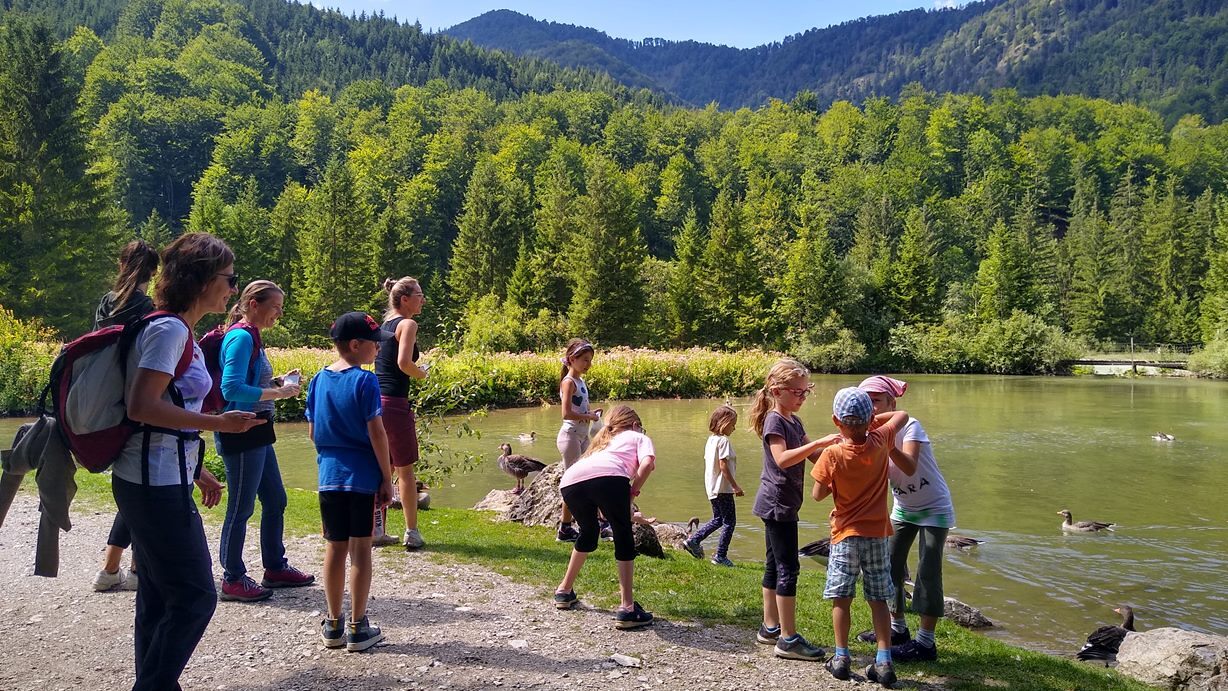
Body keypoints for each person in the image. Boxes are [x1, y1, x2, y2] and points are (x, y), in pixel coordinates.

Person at [114, 232, 266, 690]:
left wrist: (197, 470)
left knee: (159, 597)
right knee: (198, 597)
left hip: (154, 478)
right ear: (200, 279)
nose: (233, 288)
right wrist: (221, 426)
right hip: (153, 485)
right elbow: (142, 406)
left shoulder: (178, 330)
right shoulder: (169, 330)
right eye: (228, 278)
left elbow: (160, 410)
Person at [216, 280, 313, 602]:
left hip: (258, 429)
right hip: (240, 431)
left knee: (276, 500)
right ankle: (232, 577)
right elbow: (230, 390)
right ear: (254, 305)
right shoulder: (241, 337)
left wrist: (276, 382)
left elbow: (247, 382)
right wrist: (278, 392)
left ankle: (274, 567)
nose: (279, 314)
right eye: (275, 307)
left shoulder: (251, 337)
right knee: (240, 508)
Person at [811, 387, 912, 687]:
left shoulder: (831, 453)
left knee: (842, 597)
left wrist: (834, 482)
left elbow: (817, 495)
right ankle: (883, 661)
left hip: (844, 535)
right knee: (879, 597)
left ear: (835, 421)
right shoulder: (881, 440)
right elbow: (902, 415)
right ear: (871, 419)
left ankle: (841, 657)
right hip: (878, 535)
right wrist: (871, 422)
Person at [306, 312, 395, 652]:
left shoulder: (318, 380)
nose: (377, 350)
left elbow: (313, 432)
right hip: (360, 478)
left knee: (334, 548)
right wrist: (387, 478)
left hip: (328, 477)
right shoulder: (365, 381)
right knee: (360, 550)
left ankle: (332, 624)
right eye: (374, 344)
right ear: (355, 345)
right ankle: (358, 627)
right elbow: (377, 432)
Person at [854, 375, 954, 663]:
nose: (871, 408)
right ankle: (898, 630)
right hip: (904, 508)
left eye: (876, 401)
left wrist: (886, 441)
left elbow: (909, 466)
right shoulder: (866, 436)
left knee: (928, 571)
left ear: (891, 403)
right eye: (866, 402)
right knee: (890, 567)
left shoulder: (910, 426)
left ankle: (926, 643)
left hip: (934, 508)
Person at [749, 358, 840, 661]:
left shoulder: (794, 421)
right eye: (798, 392)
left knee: (774, 565)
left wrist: (835, 463)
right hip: (777, 504)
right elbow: (783, 459)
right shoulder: (775, 420)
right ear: (777, 390)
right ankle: (788, 639)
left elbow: (813, 454)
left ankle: (770, 627)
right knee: (789, 568)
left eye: (805, 392)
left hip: (781, 502)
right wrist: (825, 440)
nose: (803, 397)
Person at [92, 239, 159, 593]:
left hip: (104, 401)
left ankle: (114, 569)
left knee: (130, 486)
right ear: (154, 271)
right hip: (134, 401)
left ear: (122, 264)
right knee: (138, 487)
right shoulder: (145, 305)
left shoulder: (107, 301)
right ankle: (127, 569)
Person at [552, 405, 656, 629]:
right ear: (636, 425)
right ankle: (627, 609)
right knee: (623, 536)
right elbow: (648, 464)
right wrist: (632, 493)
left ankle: (564, 591)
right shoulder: (637, 436)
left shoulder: (602, 443)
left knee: (589, 534)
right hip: (609, 479)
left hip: (570, 482)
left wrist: (627, 509)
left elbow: (596, 482)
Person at [374, 277, 429, 551]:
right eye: (419, 294)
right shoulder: (408, 324)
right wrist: (422, 373)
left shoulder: (383, 326)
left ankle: (376, 530)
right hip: (395, 403)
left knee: (384, 468)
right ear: (404, 299)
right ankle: (412, 532)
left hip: (376, 403)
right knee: (405, 470)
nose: (423, 299)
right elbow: (404, 363)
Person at [682, 403, 743, 567]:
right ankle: (720, 556)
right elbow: (723, 465)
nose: (734, 428)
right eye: (733, 424)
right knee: (730, 522)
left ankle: (694, 540)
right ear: (724, 423)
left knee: (718, 519)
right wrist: (735, 486)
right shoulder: (724, 441)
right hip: (723, 488)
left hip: (712, 487)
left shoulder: (711, 440)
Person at [555, 339, 602, 543]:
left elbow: (579, 410)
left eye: (590, 360)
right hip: (571, 435)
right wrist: (589, 417)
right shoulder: (568, 382)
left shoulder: (581, 382)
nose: (588, 364)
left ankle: (590, 523)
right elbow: (566, 413)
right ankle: (564, 528)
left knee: (588, 478)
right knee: (572, 481)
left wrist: (590, 413)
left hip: (582, 435)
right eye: (584, 360)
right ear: (571, 359)